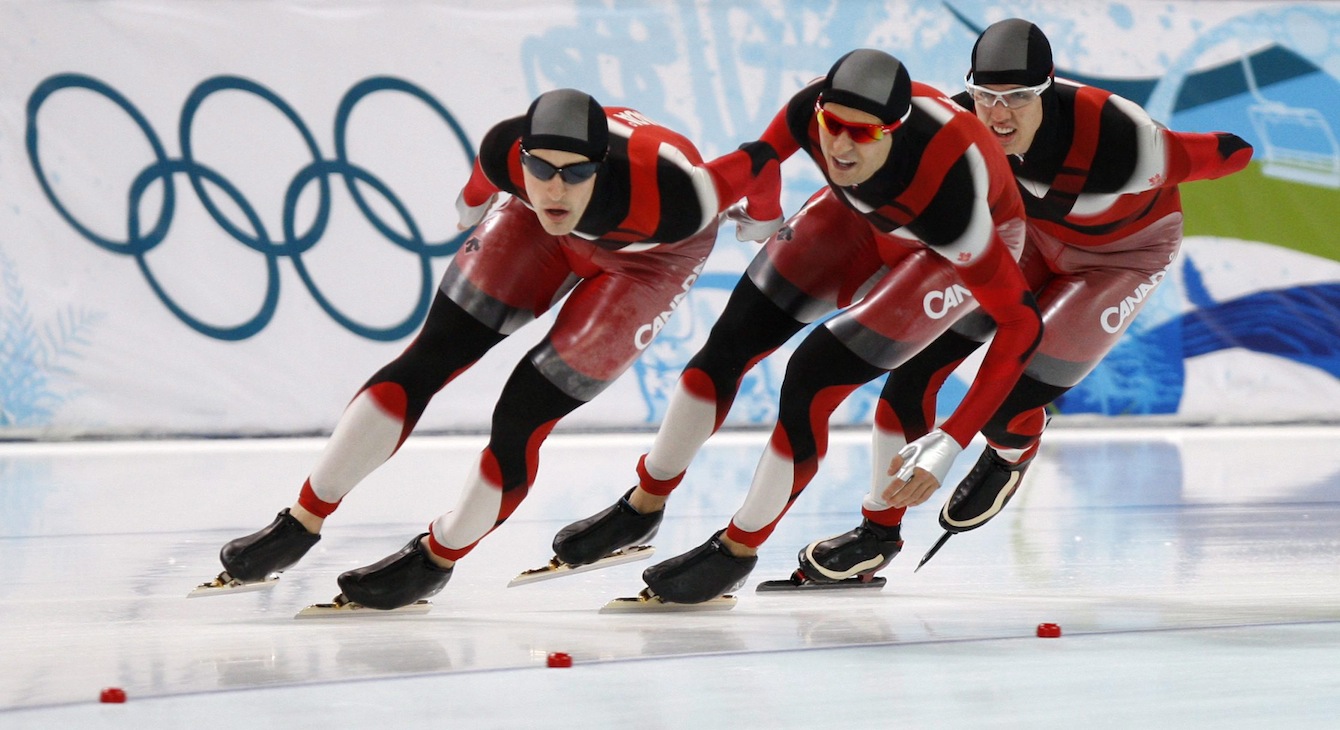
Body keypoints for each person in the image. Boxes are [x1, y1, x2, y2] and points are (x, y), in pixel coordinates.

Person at [202, 88, 787, 610]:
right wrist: (472, 204)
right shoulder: (506, 151)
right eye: (541, 168)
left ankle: (437, 556)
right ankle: (300, 521)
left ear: (602, 166)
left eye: (574, 173)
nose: (555, 187)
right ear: (522, 158)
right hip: (533, 229)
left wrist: (764, 219)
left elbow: (760, 162)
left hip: (649, 261)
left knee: (522, 411)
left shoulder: (678, 192)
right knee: (428, 357)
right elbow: (478, 189)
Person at [549, 49, 1044, 606]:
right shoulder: (811, 108)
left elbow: (1022, 325)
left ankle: (742, 549)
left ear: (895, 131)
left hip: (950, 247)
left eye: (861, 134)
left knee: (813, 373)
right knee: (730, 340)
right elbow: (757, 160)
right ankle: (642, 506)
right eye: (833, 126)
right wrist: (756, 210)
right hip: (860, 217)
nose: (839, 146)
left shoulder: (952, 194)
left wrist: (953, 438)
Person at [789, 18, 1254, 585]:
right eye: (986, 95)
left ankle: (1014, 450)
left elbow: (1229, 151)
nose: (999, 114)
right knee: (912, 372)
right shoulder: (959, 122)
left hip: (1119, 259)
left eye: (1017, 98)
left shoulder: (1124, 139)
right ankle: (877, 533)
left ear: (1048, 89)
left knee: (1007, 406)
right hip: (1031, 241)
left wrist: (1242, 150)